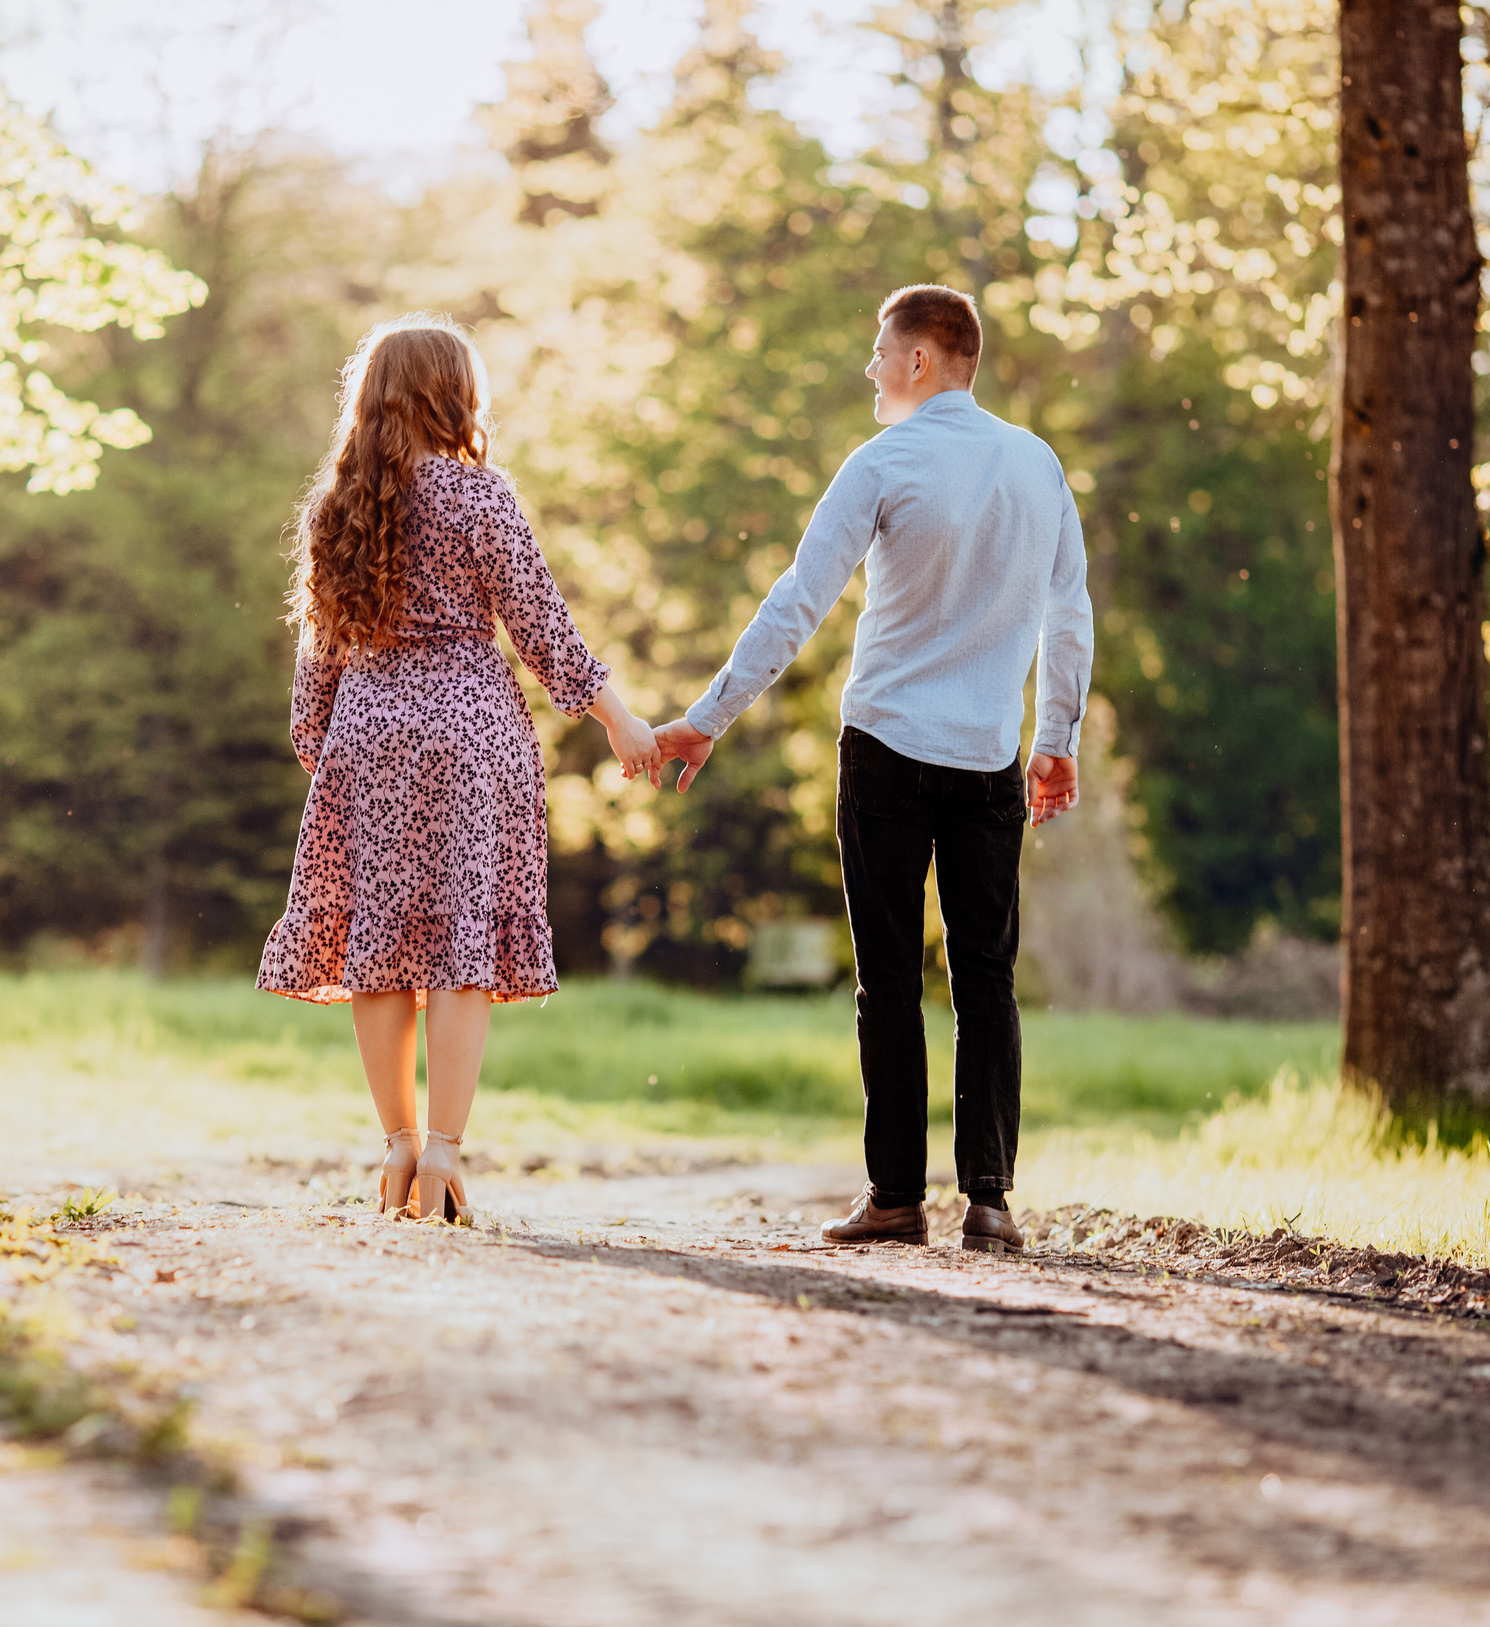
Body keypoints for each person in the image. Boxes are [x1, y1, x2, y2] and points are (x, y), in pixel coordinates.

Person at [652, 284, 1093, 1255]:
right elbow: (1071, 611)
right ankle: (988, 1202)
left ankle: (895, 1198)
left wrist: (706, 718)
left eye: (880, 352)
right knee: (986, 980)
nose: (870, 368)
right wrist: (1055, 736)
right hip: (990, 759)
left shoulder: (884, 461)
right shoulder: (1035, 465)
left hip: (888, 751)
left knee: (887, 979)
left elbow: (798, 601)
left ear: (922, 360)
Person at [258, 314, 662, 1221]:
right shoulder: (482, 498)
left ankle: (397, 1149)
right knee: (458, 947)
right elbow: (542, 629)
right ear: (454, 395)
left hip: (369, 738)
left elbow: (317, 653)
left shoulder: (339, 505)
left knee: (380, 945)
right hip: (472, 737)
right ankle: (443, 1155)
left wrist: (319, 743)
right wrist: (621, 720)